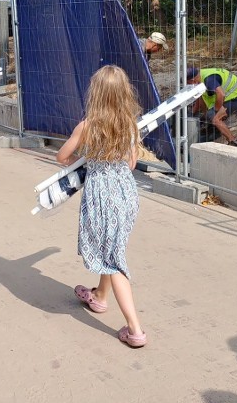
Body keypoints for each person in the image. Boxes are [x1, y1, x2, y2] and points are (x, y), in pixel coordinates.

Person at [56, 65, 147, 348]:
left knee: (113, 259)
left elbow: (62, 156)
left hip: (101, 196)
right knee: (113, 247)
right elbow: (131, 164)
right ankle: (100, 297)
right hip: (126, 194)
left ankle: (135, 329)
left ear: (95, 94)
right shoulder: (130, 125)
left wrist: (84, 165)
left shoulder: (87, 126)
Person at [187, 66, 237, 147]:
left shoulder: (209, 80)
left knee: (215, 119)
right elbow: (200, 98)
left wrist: (217, 110)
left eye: (188, 83)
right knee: (209, 115)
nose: (188, 85)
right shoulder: (199, 77)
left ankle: (233, 141)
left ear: (192, 80)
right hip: (228, 96)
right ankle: (214, 130)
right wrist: (193, 113)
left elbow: (221, 94)